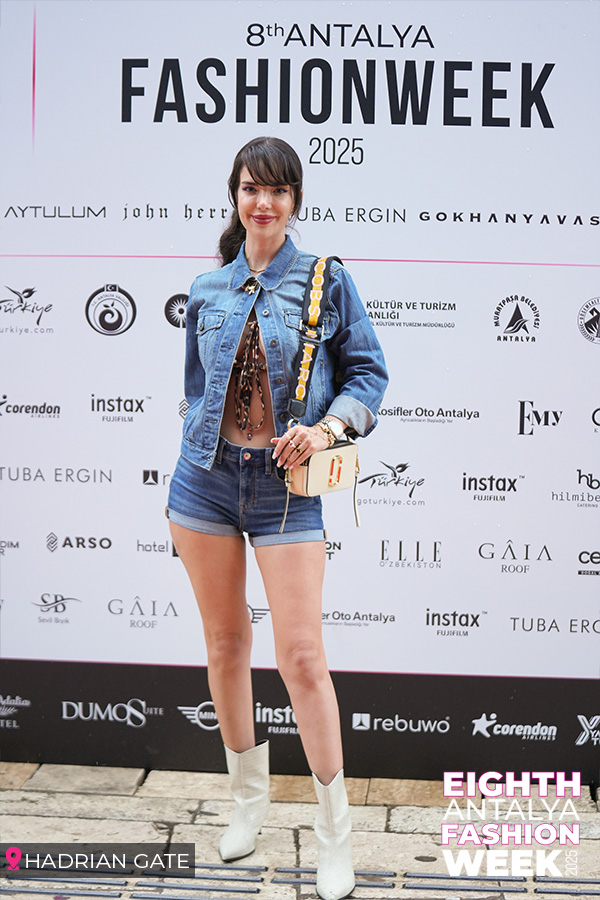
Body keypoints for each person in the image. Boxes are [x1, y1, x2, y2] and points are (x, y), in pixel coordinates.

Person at [166, 136, 388, 900]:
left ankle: (334, 836)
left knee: (301, 658)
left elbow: (368, 374)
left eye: (278, 190)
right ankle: (247, 804)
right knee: (226, 645)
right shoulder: (208, 288)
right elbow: (195, 389)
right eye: (251, 188)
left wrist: (326, 429)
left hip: (286, 490)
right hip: (204, 484)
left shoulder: (326, 280)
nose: (263, 202)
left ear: (294, 200)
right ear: (235, 196)